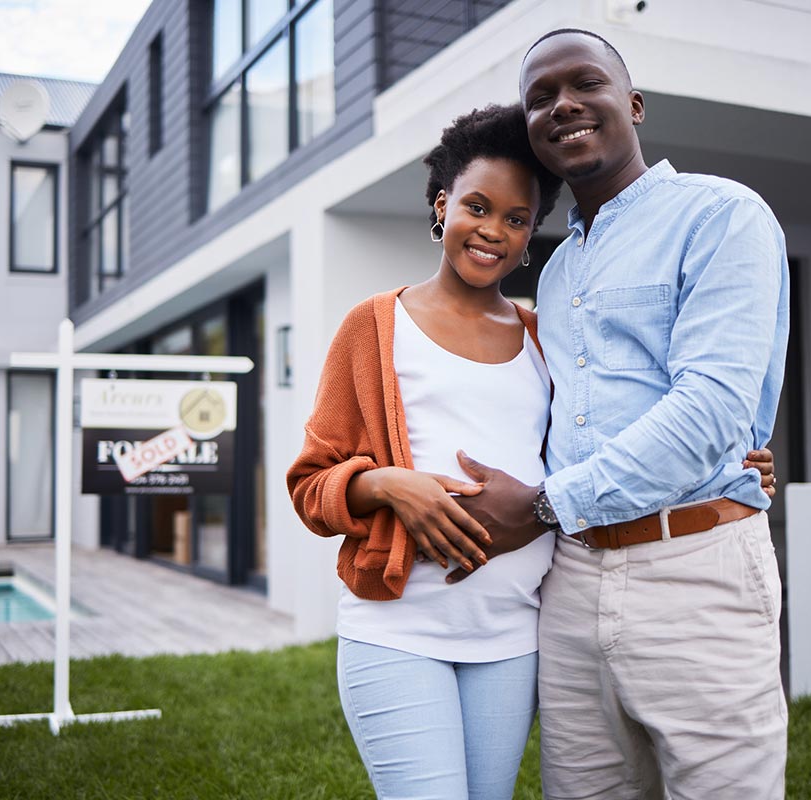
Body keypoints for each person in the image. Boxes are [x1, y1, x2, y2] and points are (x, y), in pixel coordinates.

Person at [287, 104, 777, 798]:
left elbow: (603, 426)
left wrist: (736, 462)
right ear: (441, 205)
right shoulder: (374, 325)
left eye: (516, 219)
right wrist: (392, 485)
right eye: (477, 207)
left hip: (515, 636)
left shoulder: (544, 334)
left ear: (529, 238)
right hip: (401, 627)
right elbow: (312, 482)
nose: (492, 230)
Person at [449, 29, 792, 800]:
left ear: (632, 104)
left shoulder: (720, 215)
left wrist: (541, 506)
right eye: (540, 98)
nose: (563, 105)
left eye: (585, 84)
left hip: (693, 568)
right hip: (570, 583)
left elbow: (708, 410)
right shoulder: (557, 266)